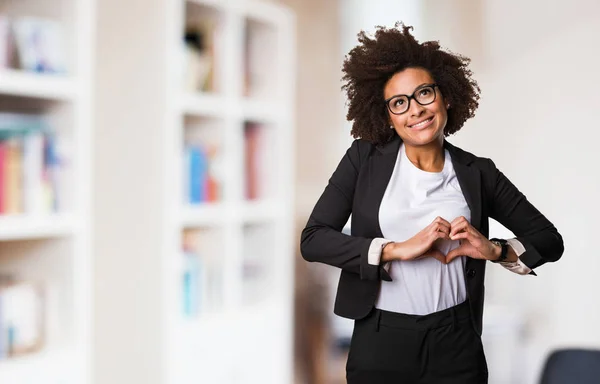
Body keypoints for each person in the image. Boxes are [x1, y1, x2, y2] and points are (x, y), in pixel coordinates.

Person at [300, 23, 564, 384]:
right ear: (388, 117)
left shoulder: (478, 172)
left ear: (447, 96)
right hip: (380, 338)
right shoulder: (363, 160)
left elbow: (549, 239)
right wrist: (394, 249)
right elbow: (313, 239)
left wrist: (495, 250)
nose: (415, 111)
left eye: (424, 93)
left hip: (455, 339)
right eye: (399, 103)